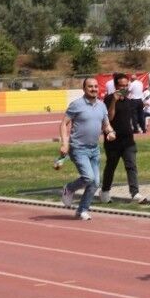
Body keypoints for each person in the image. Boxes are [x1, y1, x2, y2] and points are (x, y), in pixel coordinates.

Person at [59, 77, 116, 221]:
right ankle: (69, 188)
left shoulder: (101, 106)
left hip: (94, 149)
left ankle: (82, 210)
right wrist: (65, 143)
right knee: (88, 178)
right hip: (78, 148)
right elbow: (63, 124)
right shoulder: (76, 105)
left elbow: (106, 124)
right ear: (84, 89)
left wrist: (110, 132)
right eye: (90, 86)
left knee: (95, 183)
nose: (94, 89)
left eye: (96, 86)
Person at [101, 73, 148, 204]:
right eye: (121, 86)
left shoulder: (128, 100)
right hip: (113, 141)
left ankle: (135, 193)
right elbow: (109, 118)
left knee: (131, 166)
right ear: (116, 86)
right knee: (111, 166)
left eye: (126, 85)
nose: (124, 88)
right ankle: (105, 191)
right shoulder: (108, 99)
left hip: (128, 140)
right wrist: (114, 101)